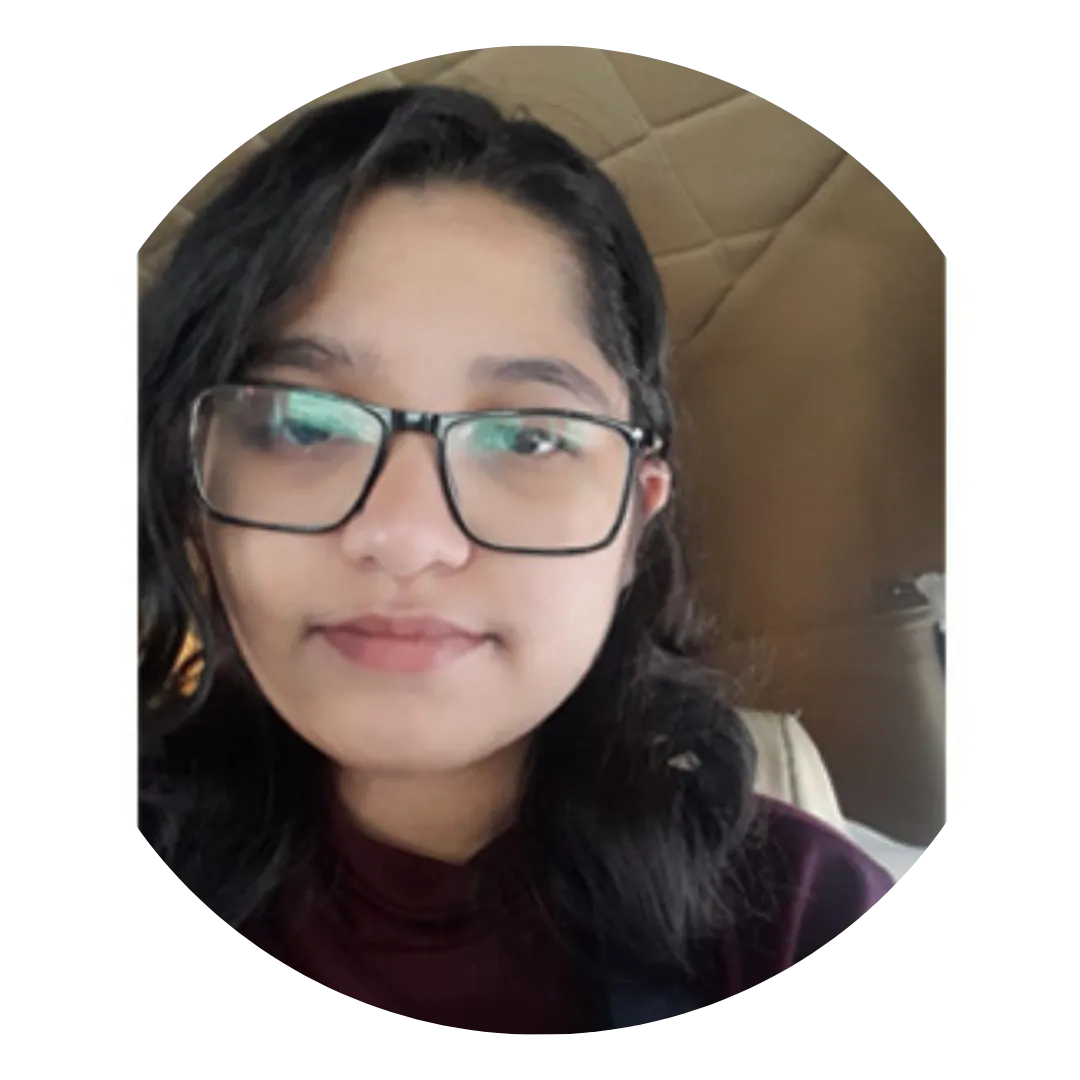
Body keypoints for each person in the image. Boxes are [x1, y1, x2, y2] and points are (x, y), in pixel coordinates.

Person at [138, 82, 895, 1037]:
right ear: (193, 496)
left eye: (529, 438)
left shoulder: (798, 917)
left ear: (633, 522)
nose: (407, 538)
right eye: (302, 423)